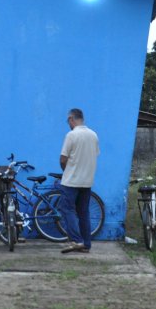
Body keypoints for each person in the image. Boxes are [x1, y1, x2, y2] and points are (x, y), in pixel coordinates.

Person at [58, 108, 100, 254]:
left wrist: (67, 170)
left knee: (66, 209)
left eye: (68, 121)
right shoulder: (93, 135)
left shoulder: (71, 135)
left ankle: (77, 240)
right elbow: (95, 155)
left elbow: (63, 159)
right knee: (83, 212)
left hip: (71, 182)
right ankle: (86, 244)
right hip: (87, 181)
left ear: (71, 119)